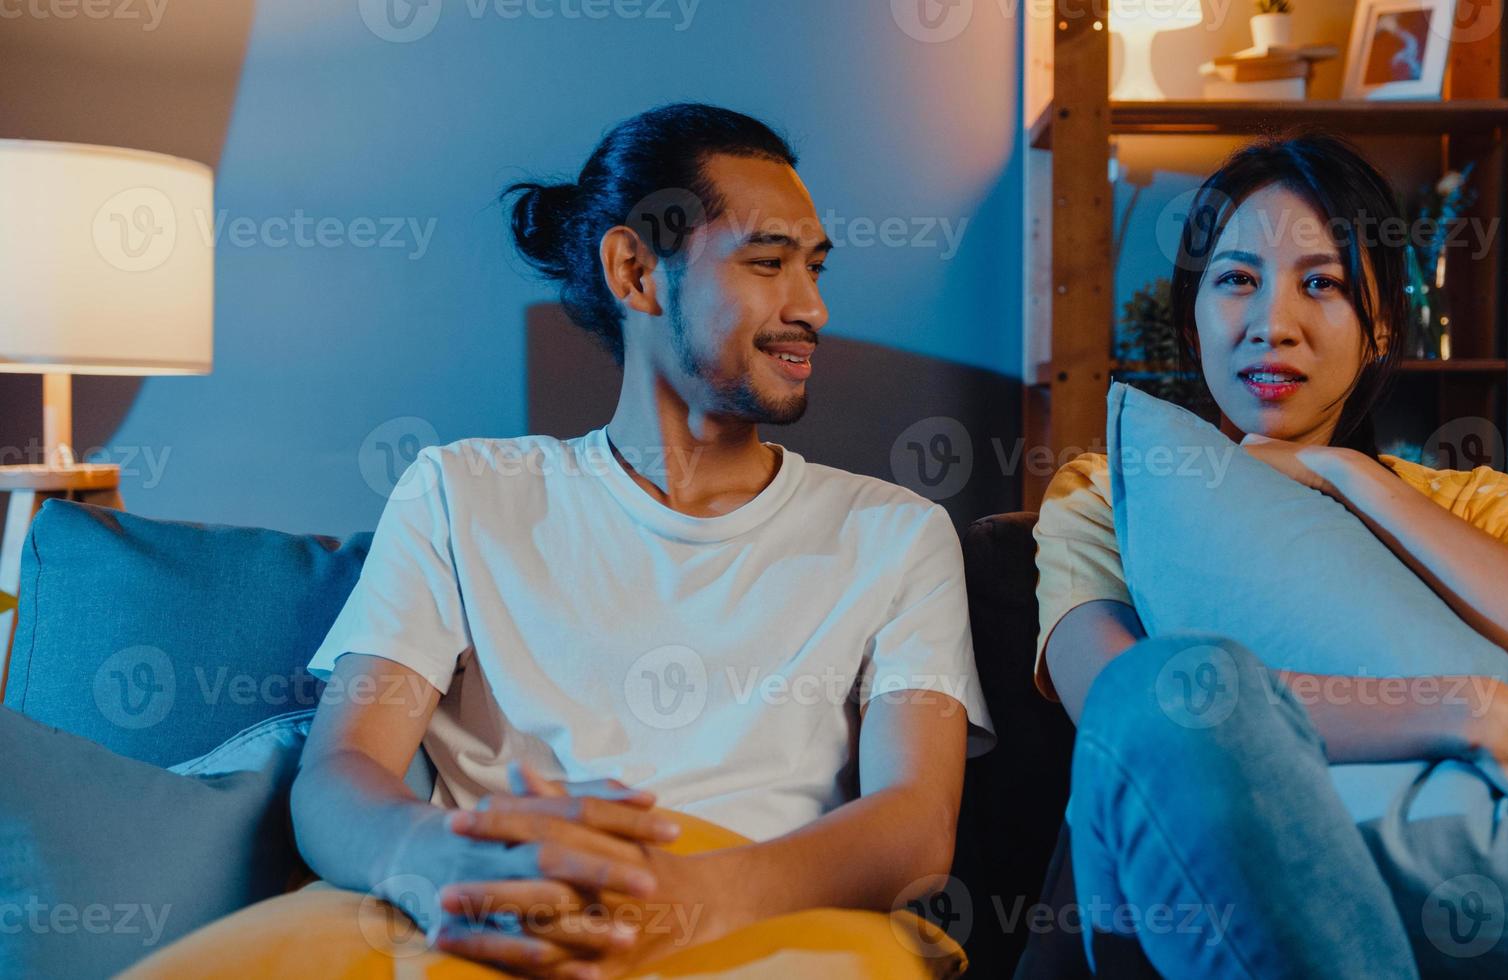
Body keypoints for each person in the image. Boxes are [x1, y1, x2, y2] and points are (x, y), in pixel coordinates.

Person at [290, 103, 992, 980]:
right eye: (768, 262)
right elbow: (340, 768)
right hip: (502, 926)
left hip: (769, 932)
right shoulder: (461, 492)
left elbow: (916, 823)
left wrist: (688, 904)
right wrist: (437, 861)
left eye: (813, 268)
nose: (811, 306)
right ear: (635, 271)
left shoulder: (897, 534)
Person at [1033, 132, 1508, 976]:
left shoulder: (1477, 505)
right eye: (1236, 281)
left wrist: (1348, 476)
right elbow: (1136, 707)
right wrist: (1471, 712)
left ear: (1381, 328)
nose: (1272, 326)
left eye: (1321, 283)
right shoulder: (1108, 494)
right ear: (1192, 319)